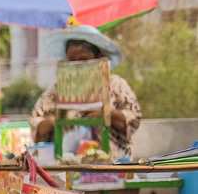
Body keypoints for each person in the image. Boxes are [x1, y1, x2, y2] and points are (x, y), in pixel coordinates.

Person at [31, 25, 142, 157]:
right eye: (72, 60)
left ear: (98, 57)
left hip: (112, 165)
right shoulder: (57, 89)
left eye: (83, 59)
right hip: (67, 167)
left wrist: (107, 113)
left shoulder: (116, 85)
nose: (78, 65)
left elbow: (134, 118)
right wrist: (53, 122)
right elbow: (36, 122)